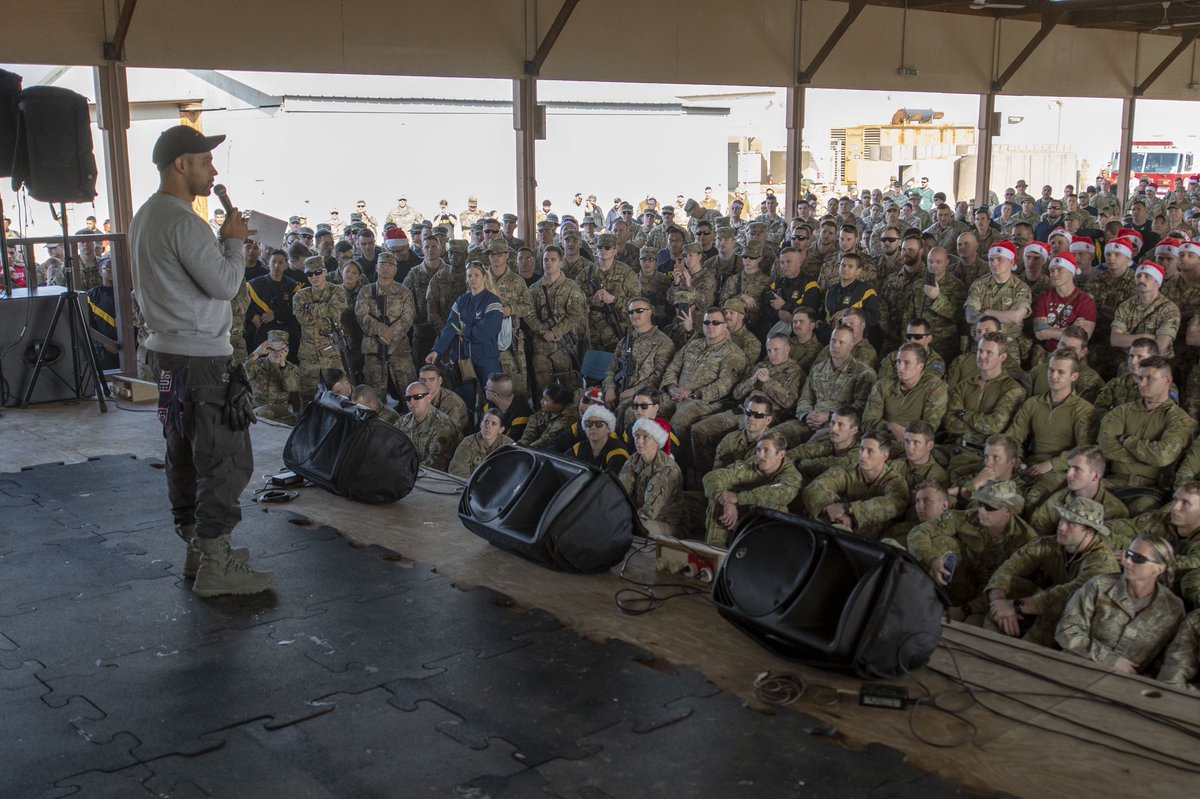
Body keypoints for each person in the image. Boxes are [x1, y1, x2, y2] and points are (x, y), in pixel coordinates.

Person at [129, 124, 274, 597]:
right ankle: (216, 562)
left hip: (167, 355)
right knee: (224, 458)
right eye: (206, 161)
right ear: (181, 164)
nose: (214, 171)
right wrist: (232, 242)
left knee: (183, 449)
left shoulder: (146, 216)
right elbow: (227, 285)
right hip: (201, 361)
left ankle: (197, 547)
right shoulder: (183, 221)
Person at [984, 496, 1120, 647]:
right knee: (1012, 586)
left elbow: (1068, 596)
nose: (1061, 527)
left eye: (1071, 523)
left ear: (1090, 532)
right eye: (1062, 519)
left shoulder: (1102, 562)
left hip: (1087, 624)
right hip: (1054, 605)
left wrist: (1014, 606)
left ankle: (1022, 653)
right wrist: (999, 603)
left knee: (1050, 615)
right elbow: (1009, 568)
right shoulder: (1051, 544)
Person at [908, 479, 1037, 622]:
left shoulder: (1026, 539)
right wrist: (932, 561)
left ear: (1008, 510)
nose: (982, 511)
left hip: (991, 597)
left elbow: (1019, 586)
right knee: (941, 542)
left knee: (1013, 586)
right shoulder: (969, 517)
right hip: (963, 582)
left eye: (990, 507)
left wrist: (966, 610)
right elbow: (919, 532)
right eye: (980, 504)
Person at [1056, 536, 1185, 676]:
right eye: (1128, 554)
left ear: (1159, 568)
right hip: (1076, 668)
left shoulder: (1172, 608)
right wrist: (1110, 660)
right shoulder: (1100, 586)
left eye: (1138, 558)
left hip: (1125, 682)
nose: (1127, 561)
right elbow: (1066, 630)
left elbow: (1167, 660)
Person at [801, 429, 909, 539]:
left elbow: (894, 504)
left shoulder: (894, 481)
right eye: (861, 449)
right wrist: (839, 514)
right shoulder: (847, 470)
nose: (863, 455)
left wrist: (848, 509)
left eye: (870, 451)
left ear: (885, 456)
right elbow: (814, 488)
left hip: (870, 540)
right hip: (836, 526)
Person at [702, 431, 802, 547]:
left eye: (766, 451)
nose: (760, 455)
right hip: (743, 515)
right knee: (720, 495)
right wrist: (727, 501)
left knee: (771, 506)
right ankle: (714, 548)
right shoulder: (752, 464)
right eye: (758, 450)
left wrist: (738, 498)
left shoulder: (791, 475)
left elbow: (780, 494)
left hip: (775, 528)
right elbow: (712, 476)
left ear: (781, 454)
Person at [427, 263, 503, 411]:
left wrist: (463, 330)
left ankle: (494, 424)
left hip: (486, 357)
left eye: (476, 275)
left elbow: (485, 332)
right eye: (469, 276)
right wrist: (437, 350)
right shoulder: (461, 301)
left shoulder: (493, 301)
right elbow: (451, 327)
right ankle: (467, 424)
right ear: (466, 279)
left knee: (493, 397)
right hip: (462, 358)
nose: (472, 278)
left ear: (484, 277)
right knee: (464, 400)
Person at [357, 252, 416, 403]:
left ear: (395, 269)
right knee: (374, 397)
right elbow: (362, 316)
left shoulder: (404, 292)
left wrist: (391, 334)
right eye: (382, 264)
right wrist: (382, 330)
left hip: (399, 350)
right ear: (376, 268)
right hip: (374, 351)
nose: (386, 268)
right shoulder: (366, 291)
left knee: (409, 393)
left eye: (390, 265)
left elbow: (408, 317)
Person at [293, 255, 349, 400]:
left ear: (325, 271)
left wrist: (310, 308)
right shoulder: (300, 295)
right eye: (309, 274)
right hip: (308, 354)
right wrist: (326, 309)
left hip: (331, 352)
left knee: (341, 395)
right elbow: (302, 319)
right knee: (307, 396)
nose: (314, 277)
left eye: (318, 272)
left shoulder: (337, 291)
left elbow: (335, 311)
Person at [398, 381, 460, 471]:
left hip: (435, 475)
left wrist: (407, 470)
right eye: (408, 398)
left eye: (417, 397)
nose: (412, 402)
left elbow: (437, 463)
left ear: (429, 398)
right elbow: (392, 446)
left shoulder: (442, 424)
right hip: (409, 471)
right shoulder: (403, 421)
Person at [244, 331, 301, 423]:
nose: (276, 353)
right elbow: (241, 377)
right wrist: (256, 354)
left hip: (282, 417)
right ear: (267, 349)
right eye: (272, 349)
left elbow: (292, 388)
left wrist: (283, 365)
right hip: (258, 414)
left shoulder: (292, 368)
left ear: (287, 350)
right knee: (264, 412)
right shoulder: (257, 364)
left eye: (280, 349)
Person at [448, 408, 514, 478]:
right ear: (481, 425)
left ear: (501, 430)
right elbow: (456, 469)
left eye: (493, 424)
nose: (488, 426)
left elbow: (513, 472)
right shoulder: (468, 443)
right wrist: (471, 483)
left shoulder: (507, 445)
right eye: (486, 422)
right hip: (469, 483)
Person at [566, 405, 629, 473]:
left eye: (599, 423)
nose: (593, 427)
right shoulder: (578, 448)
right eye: (589, 423)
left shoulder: (618, 452)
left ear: (608, 428)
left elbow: (610, 478)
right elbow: (563, 466)